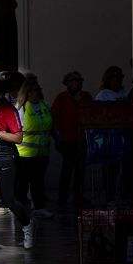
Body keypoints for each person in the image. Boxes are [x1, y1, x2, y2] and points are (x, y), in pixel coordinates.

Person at [0, 78, 34, 248]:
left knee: (9, 198)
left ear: (0, 94)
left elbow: (18, 138)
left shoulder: (8, 110)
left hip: (4, 156)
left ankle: (27, 225)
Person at [51, 71, 92, 207]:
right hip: (67, 141)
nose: (79, 83)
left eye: (80, 81)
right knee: (67, 171)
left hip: (83, 140)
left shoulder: (86, 96)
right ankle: (63, 198)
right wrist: (58, 137)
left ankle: (78, 197)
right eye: (75, 81)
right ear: (68, 83)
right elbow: (54, 118)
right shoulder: (61, 98)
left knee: (81, 171)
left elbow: (92, 113)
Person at [16, 77, 54, 218]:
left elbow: (51, 126)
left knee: (38, 182)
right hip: (24, 154)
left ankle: (39, 207)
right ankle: (20, 207)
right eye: (35, 91)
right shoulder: (22, 108)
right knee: (23, 183)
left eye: (39, 90)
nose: (38, 93)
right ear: (28, 92)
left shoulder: (44, 105)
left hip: (42, 152)